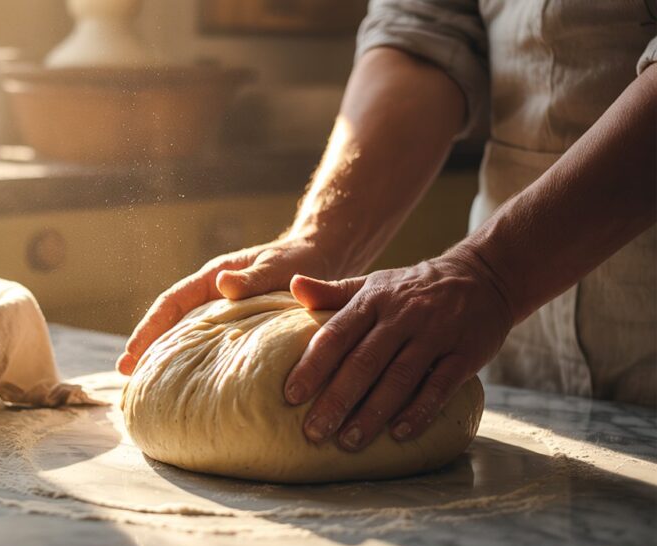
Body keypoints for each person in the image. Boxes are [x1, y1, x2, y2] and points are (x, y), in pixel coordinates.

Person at [117, 0, 657, 452]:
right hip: (511, 365)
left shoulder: (491, 282)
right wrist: (320, 239)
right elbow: (423, 35)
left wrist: (493, 273)